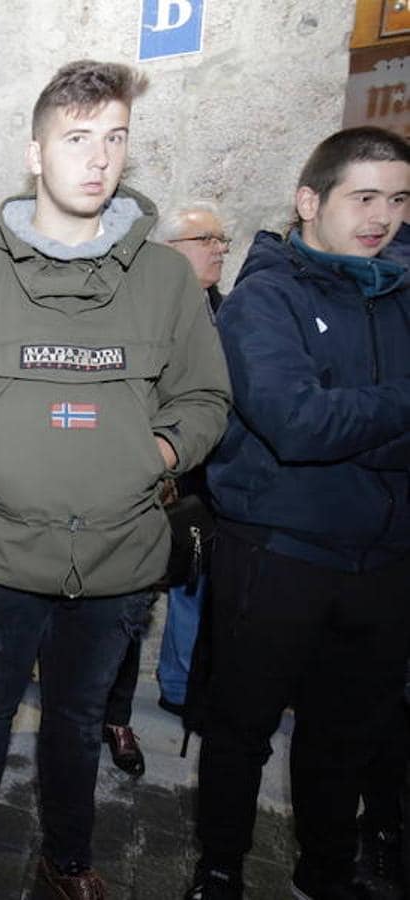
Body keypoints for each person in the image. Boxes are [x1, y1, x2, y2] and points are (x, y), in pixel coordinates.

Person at [0, 61, 231, 900]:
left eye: (115, 139)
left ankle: (68, 859)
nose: (99, 158)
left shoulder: (162, 280)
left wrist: (150, 457)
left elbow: (204, 398)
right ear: (35, 153)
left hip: (118, 556)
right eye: (77, 138)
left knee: (79, 725)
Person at [188, 126, 410, 900]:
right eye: (365, 197)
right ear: (310, 200)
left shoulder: (400, 293)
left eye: (398, 198)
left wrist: (357, 423)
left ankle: (326, 870)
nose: (382, 216)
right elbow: (295, 424)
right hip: (277, 554)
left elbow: (330, 424)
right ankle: (219, 868)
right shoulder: (266, 299)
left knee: (344, 734)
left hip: (382, 560)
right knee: (240, 730)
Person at [101, 200, 233, 780]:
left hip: (194, 491)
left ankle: (137, 710)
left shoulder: (228, 313)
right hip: (133, 482)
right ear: (169, 251)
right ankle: (98, 716)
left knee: (148, 606)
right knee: (117, 606)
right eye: (208, 239)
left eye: (223, 241)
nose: (219, 250)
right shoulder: (143, 310)